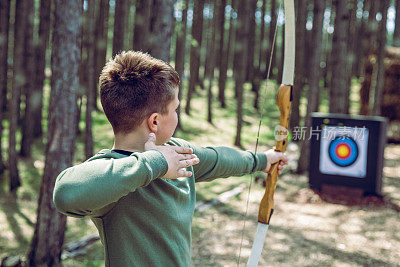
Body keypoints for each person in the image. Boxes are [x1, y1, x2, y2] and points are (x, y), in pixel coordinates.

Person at [53, 51, 288, 266]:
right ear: (154, 121)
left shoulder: (176, 151)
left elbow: (218, 159)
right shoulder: (113, 172)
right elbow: (65, 193)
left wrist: (261, 160)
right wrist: (156, 163)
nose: (177, 114)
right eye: (175, 109)